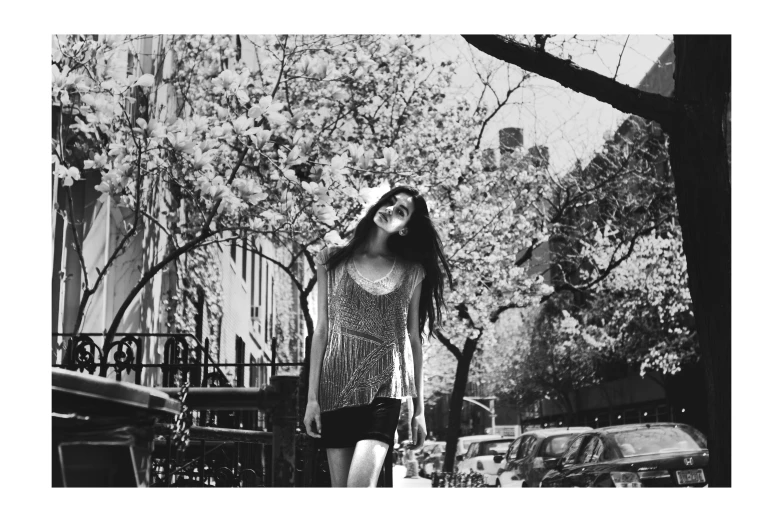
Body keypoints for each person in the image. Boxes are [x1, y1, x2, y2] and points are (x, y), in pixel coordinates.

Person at [303, 186, 452, 487]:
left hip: (385, 393)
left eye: (401, 211)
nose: (390, 210)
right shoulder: (331, 260)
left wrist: (418, 410)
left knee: (359, 489)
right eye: (389, 202)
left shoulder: (413, 272)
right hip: (335, 388)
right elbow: (321, 331)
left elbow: (413, 338)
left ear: (407, 227)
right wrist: (312, 400)